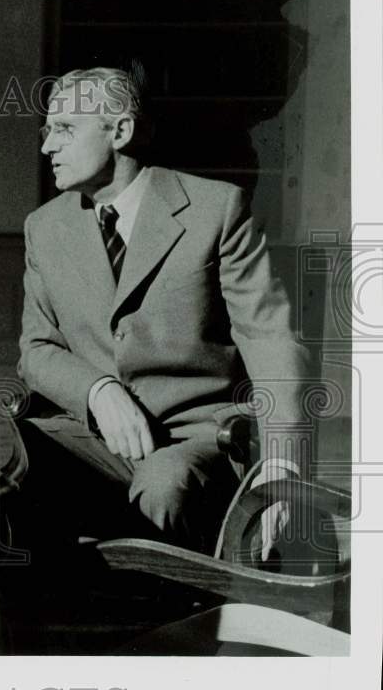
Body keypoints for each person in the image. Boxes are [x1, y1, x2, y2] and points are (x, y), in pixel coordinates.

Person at [17, 66, 309, 556]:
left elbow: (269, 338)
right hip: (90, 436)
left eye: (64, 129)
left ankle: (171, 624)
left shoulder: (216, 209)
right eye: (47, 130)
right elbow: (37, 348)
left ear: (121, 132)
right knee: (4, 458)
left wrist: (282, 461)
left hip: (194, 439)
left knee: (163, 487)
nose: (47, 146)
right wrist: (97, 389)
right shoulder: (44, 227)